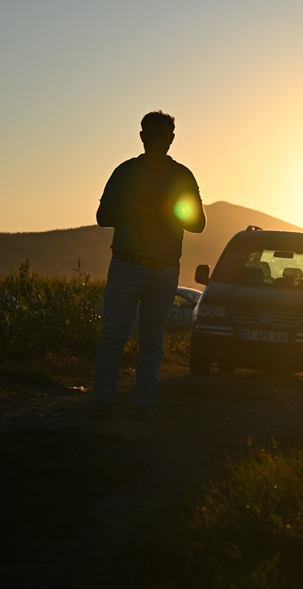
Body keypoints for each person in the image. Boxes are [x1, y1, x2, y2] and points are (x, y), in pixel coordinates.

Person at [90, 110, 205, 421]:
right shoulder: (125, 172)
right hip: (126, 263)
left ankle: (143, 405)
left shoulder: (183, 176)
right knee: (115, 334)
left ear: (171, 138)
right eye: (150, 134)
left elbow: (199, 223)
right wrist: (134, 211)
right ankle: (102, 401)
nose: (156, 140)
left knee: (152, 339)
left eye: (162, 134)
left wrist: (169, 211)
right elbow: (102, 218)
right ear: (141, 136)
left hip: (164, 268)